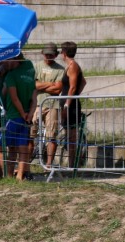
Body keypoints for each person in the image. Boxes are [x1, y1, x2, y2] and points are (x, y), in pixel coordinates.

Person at [1, 53, 37, 181]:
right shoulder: (29, 73)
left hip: (13, 116)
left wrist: (22, 113)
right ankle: (20, 176)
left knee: (10, 148)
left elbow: (14, 98)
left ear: (15, 60)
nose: (4, 63)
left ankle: (9, 175)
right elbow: (34, 99)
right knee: (23, 149)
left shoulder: (11, 76)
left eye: (6, 60)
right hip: (26, 118)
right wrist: (29, 114)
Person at [30, 43, 64, 170]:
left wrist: (41, 84)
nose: (48, 56)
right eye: (46, 54)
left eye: (51, 54)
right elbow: (34, 85)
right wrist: (51, 84)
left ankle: (49, 164)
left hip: (52, 105)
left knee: (51, 135)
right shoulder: (37, 66)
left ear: (55, 55)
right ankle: (26, 163)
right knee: (31, 134)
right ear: (42, 53)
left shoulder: (60, 69)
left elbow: (58, 89)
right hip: (37, 103)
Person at [59, 41, 87, 170]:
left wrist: (67, 104)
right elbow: (83, 82)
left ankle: (72, 165)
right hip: (69, 103)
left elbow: (73, 86)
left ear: (64, 53)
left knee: (71, 136)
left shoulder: (72, 66)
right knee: (69, 135)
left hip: (70, 107)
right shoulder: (70, 66)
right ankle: (71, 164)